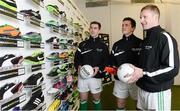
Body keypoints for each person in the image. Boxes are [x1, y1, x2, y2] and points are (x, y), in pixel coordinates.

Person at [127, 4, 179, 110]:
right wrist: (133, 70)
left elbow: (172, 69)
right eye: (140, 17)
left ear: (155, 17)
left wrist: (143, 72)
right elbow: (144, 65)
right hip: (141, 90)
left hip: (157, 93)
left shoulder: (165, 38)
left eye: (144, 17)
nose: (141, 20)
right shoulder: (145, 40)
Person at [74, 21, 109, 110]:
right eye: (91, 28)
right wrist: (78, 66)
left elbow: (106, 61)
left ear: (99, 30)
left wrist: (99, 68)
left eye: (95, 28)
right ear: (89, 29)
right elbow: (76, 58)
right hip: (83, 76)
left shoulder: (103, 46)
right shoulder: (82, 44)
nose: (93, 30)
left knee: (96, 99)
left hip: (95, 76)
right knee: (83, 99)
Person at [110, 17, 142, 110]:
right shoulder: (117, 44)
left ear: (133, 28)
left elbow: (144, 62)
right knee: (120, 103)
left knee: (138, 104)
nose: (123, 27)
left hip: (136, 80)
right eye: (122, 25)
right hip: (120, 80)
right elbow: (110, 62)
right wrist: (115, 72)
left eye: (126, 25)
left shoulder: (140, 43)